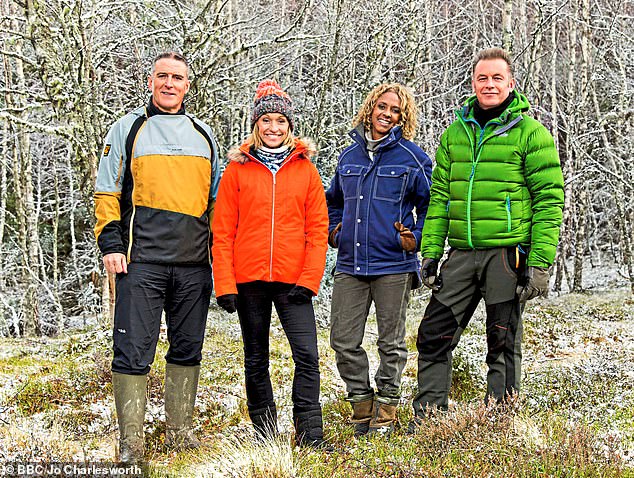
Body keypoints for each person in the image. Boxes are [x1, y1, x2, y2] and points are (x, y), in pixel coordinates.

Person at [410, 47, 564, 428]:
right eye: (483, 78)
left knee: (502, 343)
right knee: (433, 335)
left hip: (506, 257)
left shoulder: (532, 134)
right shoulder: (454, 135)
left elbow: (549, 201)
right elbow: (440, 197)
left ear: (511, 84)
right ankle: (429, 420)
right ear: (473, 83)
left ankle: (499, 424)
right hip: (461, 254)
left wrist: (539, 262)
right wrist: (430, 252)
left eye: (497, 78)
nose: (490, 84)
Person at [94, 52, 220, 463]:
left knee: (188, 347)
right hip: (140, 261)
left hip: (194, 264)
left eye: (178, 78)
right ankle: (131, 442)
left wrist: (221, 256)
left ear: (188, 85)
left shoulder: (204, 134)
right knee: (132, 351)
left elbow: (217, 203)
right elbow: (106, 190)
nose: (169, 84)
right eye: (162, 76)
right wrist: (111, 244)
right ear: (150, 81)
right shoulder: (127, 129)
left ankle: (179, 434)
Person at [212, 80, 330, 448]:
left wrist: (309, 281)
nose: (273, 127)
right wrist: (226, 285)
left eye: (281, 120)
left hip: (295, 282)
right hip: (249, 282)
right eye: (267, 120)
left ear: (290, 126)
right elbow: (222, 231)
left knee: (307, 356)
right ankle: (265, 436)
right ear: (256, 125)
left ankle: (310, 434)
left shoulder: (305, 170)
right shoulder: (237, 170)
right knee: (256, 359)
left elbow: (318, 229)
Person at [326, 83, 432, 436]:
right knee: (343, 340)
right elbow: (334, 201)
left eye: (396, 110)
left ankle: (385, 413)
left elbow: (431, 205)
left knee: (391, 343)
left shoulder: (413, 158)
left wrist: (414, 239)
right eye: (382, 106)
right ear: (370, 108)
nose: (387, 114)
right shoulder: (348, 157)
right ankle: (361, 406)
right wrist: (335, 230)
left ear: (404, 117)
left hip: (394, 266)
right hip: (350, 264)